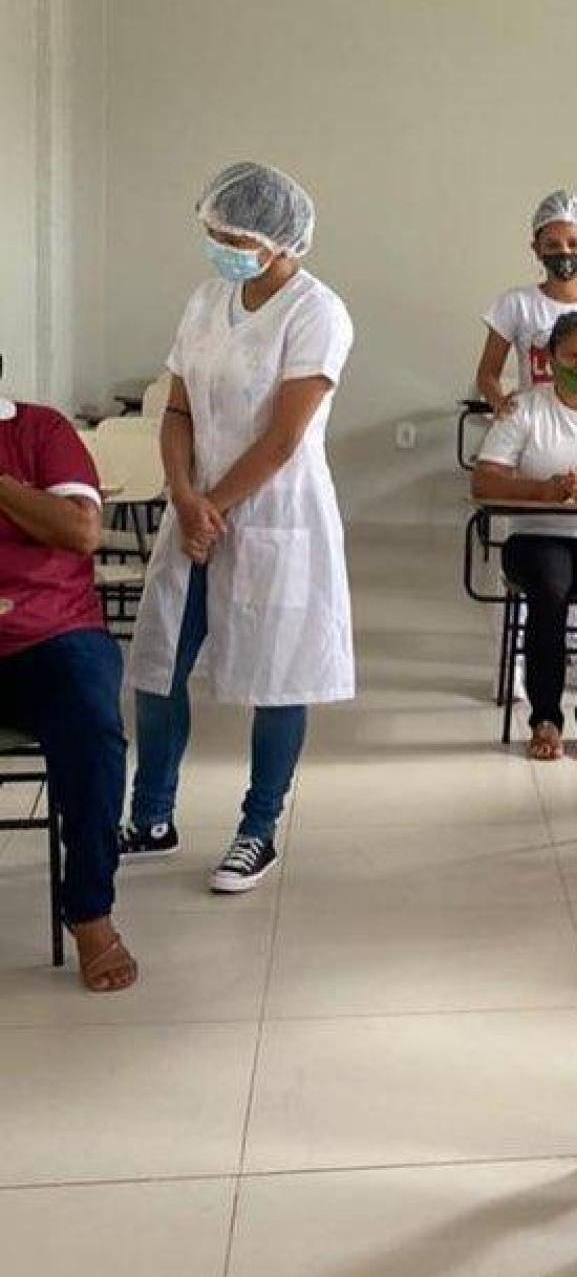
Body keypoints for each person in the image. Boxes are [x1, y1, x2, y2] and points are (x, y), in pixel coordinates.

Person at [121, 161, 355, 893]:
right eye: (213, 231)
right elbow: (179, 409)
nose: (218, 244)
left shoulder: (318, 312)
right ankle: (152, 816)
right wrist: (186, 498)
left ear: (277, 238)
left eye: (231, 233)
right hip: (196, 507)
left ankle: (259, 829)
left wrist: (212, 505)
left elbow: (285, 437)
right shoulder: (205, 300)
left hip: (277, 515)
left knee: (278, 676)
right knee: (159, 664)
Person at [0, 387, 135, 991]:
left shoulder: (41, 433)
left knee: (91, 724)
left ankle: (89, 913)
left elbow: (82, 531)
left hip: (51, 636)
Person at [471, 311, 577, 761]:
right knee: (549, 589)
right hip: (537, 534)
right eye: (571, 356)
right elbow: (484, 481)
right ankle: (545, 716)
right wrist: (544, 490)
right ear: (549, 359)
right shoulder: (525, 407)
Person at [473, 190, 577, 418]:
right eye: (553, 245)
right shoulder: (516, 304)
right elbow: (487, 375)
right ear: (537, 249)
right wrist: (502, 405)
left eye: (573, 244)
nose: (564, 252)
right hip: (535, 427)